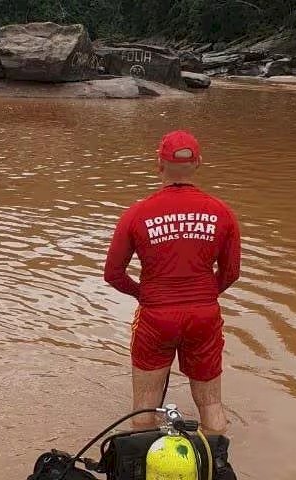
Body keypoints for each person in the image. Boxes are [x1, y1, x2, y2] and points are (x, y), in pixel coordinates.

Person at [103, 130, 241, 435]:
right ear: (199, 163)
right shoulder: (222, 213)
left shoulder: (136, 213)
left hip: (156, 316)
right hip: (204, 317)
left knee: (144, 408)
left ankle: (144, 465)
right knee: (212, 407)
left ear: (158, 163)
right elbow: (231, 273)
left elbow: (113, 273)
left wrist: (146, 295)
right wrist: (202, 296)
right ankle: (213, 465)